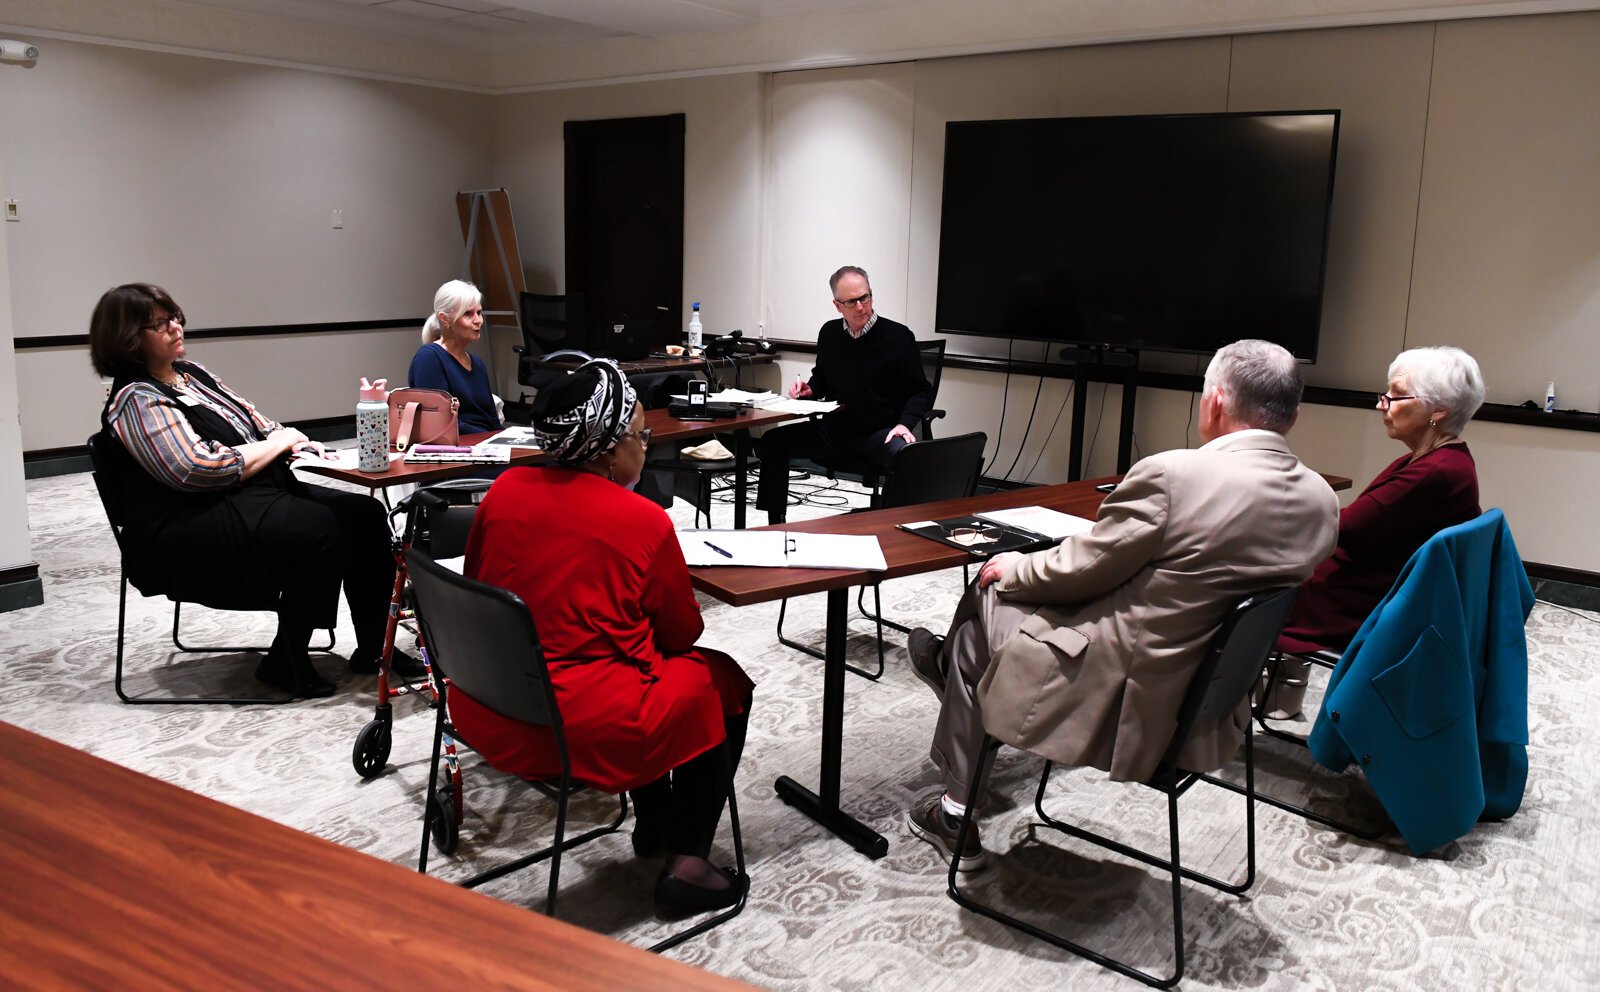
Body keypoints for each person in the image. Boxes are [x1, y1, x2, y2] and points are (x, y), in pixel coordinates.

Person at [903, 339, 1339, 870]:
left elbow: (1078, 570)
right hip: (1206, 699)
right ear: (1291, 415)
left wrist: (1014, 569)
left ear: (1216, 403)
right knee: (996, 617)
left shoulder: (1176, 475)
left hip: (1125, 695)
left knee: (987, 595)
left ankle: (953, 799)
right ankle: (950, 673)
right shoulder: (1322, 499)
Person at [459, 359, 754, 914]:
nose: (647, 446)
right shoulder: (642, 520)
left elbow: (481, 589)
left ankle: (655, 824)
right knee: (721, 681)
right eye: (641, 435)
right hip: (575, 727)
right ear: (607, 450)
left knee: (653, 671)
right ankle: (687, 862)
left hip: (488, 704)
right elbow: (684, 631)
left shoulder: (503, 491)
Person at [90, 283, 395, 698]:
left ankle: (376, 649)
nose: (175, 327)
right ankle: (285, 660)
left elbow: (257, 423)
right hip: (184, 518)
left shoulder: (192, 374)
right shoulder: (136, 398)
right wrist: (277, 444)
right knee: (318, 527)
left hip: (240, 495)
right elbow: (195, 469)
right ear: (128, 339)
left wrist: (295, 442)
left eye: (175, 317)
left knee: (365, 515)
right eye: (160, 324)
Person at [1264, 346, 1484, 718]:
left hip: (1362, 603)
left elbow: (1344, 529)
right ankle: (1278, 693)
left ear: (1439, 409)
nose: (1382, 405)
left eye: (1396, 396)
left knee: (1241, 590)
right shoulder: (1443, 459)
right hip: (1377, 586)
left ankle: (1216, 706)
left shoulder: (1435, 472)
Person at [755, 266, 933, 522]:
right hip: (835, 430)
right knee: (773, 441)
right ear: (838, 305)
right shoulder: (830, 333)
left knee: (905, 454)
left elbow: (921, 391)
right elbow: (822, 379)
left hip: (878, 432)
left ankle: (898, 527)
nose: (861, 307)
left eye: (865, 297)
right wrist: (810, 390)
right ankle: (775, 523)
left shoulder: (898, 337)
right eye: (852, 302)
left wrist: (905, 424)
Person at [408, 279, 501, 435]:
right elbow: (442, 423)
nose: (478, 320)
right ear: (445, 318)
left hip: (484, 443)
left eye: (479, 312)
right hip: (458, 447)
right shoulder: (429, 358)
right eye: (468, 314)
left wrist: (507, 439)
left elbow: (492, 420)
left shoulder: (477, 363)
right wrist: (488, 437)